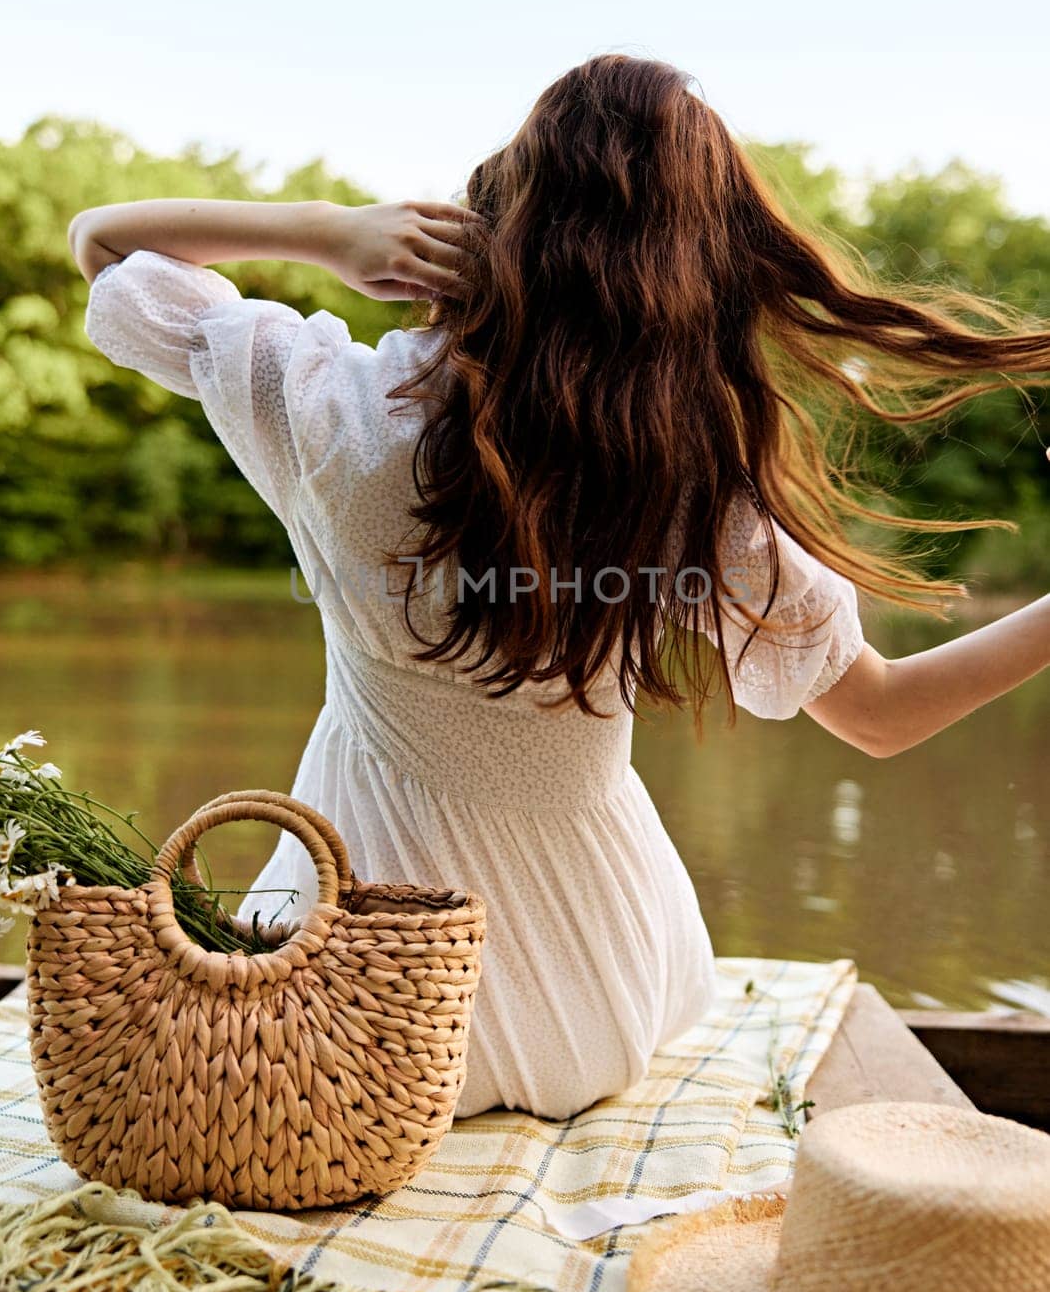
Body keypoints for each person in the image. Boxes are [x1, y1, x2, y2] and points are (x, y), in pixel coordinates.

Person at [69, 54, 1050, 1120]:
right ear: (690, 281)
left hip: (362, 1006)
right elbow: (881, 714)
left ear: (474, 240)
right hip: (605, 1002)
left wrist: (329, 228)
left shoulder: (332, 411)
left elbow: (106, 244)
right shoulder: (685, 492)